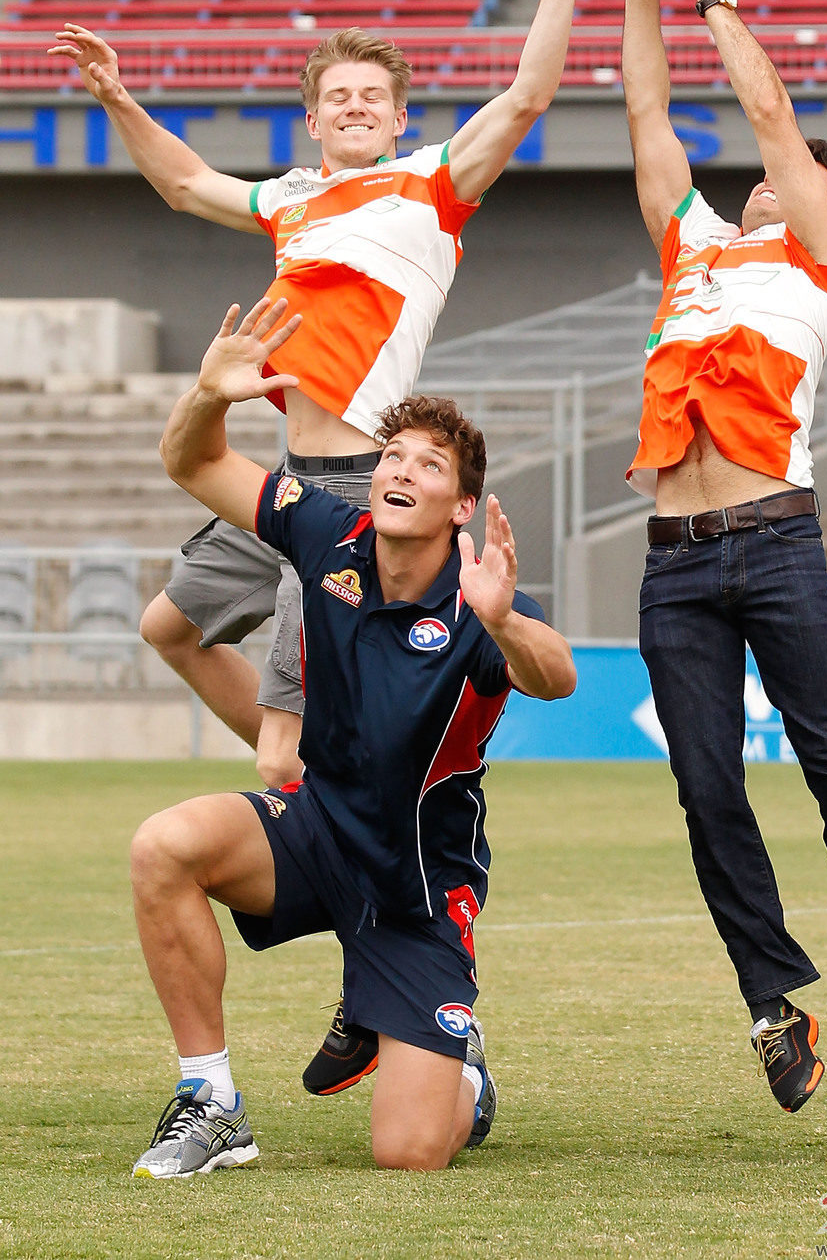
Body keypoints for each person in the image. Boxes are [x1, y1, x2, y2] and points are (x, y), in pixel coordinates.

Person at [48, 0, 631, 795]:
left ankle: (318, 787)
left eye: (374, 97)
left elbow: (524, 96)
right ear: (311, 117)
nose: (356, 106)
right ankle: (330, 775)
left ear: (400, 118)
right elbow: (187, 184)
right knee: (168, 628)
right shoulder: (290, 200)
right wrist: (119, 97)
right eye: (339, 97)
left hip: (357, 487)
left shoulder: (432, 187)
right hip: (281, 479)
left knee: (281, 759)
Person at [129, 296, 577, 1178]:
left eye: (429, 463)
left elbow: (555, 675)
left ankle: (465, 1077)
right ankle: (211, 1100)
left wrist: (505, 621)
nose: (401, 470)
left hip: (418, 886)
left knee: (407, 1155)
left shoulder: (477, 596)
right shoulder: (325, 527)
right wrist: (209, 394)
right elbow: (194, 461)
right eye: (393, 456)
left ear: (461, 504)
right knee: (163, 847)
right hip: (316, 828)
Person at [618, 0, 827, 1112]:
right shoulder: (695, 247)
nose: (763, 179)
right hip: (674, 556)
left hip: (776, 540)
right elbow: (650, 112)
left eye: (793, 174)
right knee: (706, 790)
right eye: (761, 177)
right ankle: (771, 1003)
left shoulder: (820, 253)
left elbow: (767, 110)